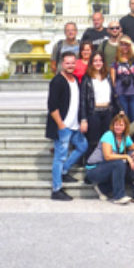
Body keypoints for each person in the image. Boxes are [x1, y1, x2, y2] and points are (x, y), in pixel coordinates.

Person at [46, 53, 88, 201]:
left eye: (72, 63)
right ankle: (56, 189)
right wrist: (61, 125)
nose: (70, 65)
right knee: (60, 157)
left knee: (83, 146)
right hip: (63, 126)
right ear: (62, 64)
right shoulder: (57, 81)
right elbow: (52, 106)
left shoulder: (75, 79)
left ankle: (64, 171)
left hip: (74, 125)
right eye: (67, 63)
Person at [84, 111, 134, 204]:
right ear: (113, 125)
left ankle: (103, 189)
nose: (118, 127)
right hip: (94, 170)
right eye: (116, 124)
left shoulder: (125, 137)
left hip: (106, 168)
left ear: (126, 126)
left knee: (125, 166)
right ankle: (119, 197)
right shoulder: (108, 135)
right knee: (119, 163)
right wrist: (126, 156)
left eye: (121, 125)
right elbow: (108, 156)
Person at [80, 51, 118, 156]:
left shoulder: (108, 77)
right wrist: (83, 119)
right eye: (95, 61)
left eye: (100, 61)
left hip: (107, 112)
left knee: (107, 139)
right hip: (94, 112)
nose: (98, 63)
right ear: (91, 63)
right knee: (94, 141)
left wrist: (120, 109)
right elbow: (82, 99)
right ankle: (92, 164)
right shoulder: (87, 78)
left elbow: (114, 95)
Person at [110, 36, 134, 121]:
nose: (124, 47)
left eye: (126, 45)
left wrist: (131, 43)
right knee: (123, 120)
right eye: (122, 44)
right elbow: (113, 81)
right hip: (121, 94)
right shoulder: (116, 62)